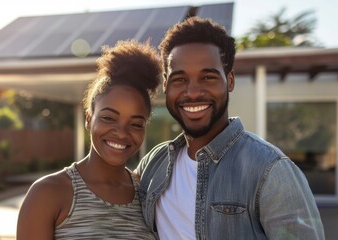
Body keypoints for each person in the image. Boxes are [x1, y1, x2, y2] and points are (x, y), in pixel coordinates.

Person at [135, 16, 325, 239]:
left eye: (207, 77)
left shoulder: (271, 170)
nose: (193, 92)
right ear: (166, 85)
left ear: (230, 81)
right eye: (180, 79)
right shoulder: (154, 163)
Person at [17, 39, 162, 239]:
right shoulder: (48, 193)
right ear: (88, 119)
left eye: (135, 123)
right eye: (108, 118)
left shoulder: (148, 195)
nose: (121, 132)